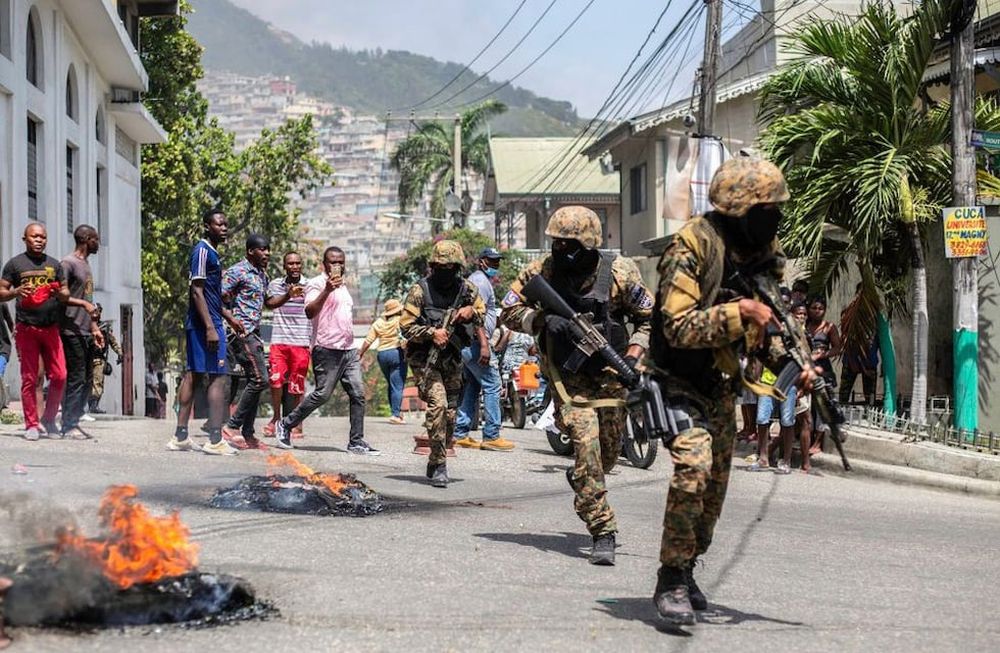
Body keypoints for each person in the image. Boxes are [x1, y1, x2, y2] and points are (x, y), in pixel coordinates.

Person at [648, 157, 817, 624]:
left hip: (722, 386)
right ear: (741, 209)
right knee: (693, 468)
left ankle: (687, 564)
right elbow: (677, 326)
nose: (776, 219)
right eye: (768, 210)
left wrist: (796, 365)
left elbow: (771, 326)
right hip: (677, 381)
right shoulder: (692, 246)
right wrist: (738, 312)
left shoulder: (761, 254)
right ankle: (671, 579)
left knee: (713, 496)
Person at [501, 206, 653, 565]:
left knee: (608, 453)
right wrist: (540, 319)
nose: (560, 251)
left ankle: (582, 477)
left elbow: (649, 319)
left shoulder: (619, 272)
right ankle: (603, 529)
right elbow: (507, 309)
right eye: (556, 243)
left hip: (611, 372)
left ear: (589, 245)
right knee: (586, 445)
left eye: (569, 245)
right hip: (566, 376)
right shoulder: (541, 272)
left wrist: (633, 356)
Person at [273, 247, 377, 454]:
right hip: (326, 349)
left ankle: (356, 441)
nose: (337, 266)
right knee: (322, 395)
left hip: (348, 350)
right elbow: (309, 311)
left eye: (341, 262)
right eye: (332, 262)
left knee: (358, 394)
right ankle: (285, 424)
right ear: (324, 264)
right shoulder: (316, 283)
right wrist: (327, 290)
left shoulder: (345, 287)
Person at [400, 240, 486, 487]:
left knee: (450, 415)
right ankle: (439, 464)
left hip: (453, 358)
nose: (445, 272)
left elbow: (483, 311)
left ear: (457, 268)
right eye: (441, 267)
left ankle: (437, 454)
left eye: (450, 267)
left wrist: (471, 312)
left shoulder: (467, 290)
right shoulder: (420, 291)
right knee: (437, 405)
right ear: (433, 267)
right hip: (425, 359)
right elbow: (406, 326)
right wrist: (430, 333)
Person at [0, 223, 83, 440]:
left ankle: (48, 418)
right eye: (35, 236)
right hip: (26, 328)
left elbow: (64, 291)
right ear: (25, 238)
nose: (39, 240)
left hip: (51, 327)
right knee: (30, 378)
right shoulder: (14, 264)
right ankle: (32, 424)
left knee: (60, 375)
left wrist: (61, 292)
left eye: (43, 237)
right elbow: (2, 291)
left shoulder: (54, 265)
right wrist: (17, 291)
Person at [166, 209, 237, 455]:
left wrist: (227, 313)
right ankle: (215, 439)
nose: (224, 228)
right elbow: (196, 291)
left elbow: (208, 292)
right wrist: (210, 327)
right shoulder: (202, 250)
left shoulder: (212, 253)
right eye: (219, 224)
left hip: (211, 320)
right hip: (204, 324)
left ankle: (181, 436)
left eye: (226, 224)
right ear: (207, 226)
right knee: (218, 377)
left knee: (194, 375)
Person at [453, 247, 515, 451]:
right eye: (492, 261)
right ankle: (491, 435)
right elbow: (474, 315)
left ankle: (460, 433)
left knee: (472, 385)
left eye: (497, 261)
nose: (496, 265)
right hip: (475, 342)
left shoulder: (478, 280)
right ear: (481, 262)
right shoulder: (480, 281)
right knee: (493, 385)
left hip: (468, 343)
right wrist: (485, 344)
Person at [219, 234, 271, 450]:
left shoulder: (261, 274)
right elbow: (215, 298)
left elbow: (268, 302)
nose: (267, 253)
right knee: (260, 380)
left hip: (255, 333)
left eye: (268, 249)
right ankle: (231, 426)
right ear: (251, 251)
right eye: (262, 249)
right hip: (242, 333)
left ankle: (248, 434)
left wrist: (288, 295)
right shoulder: (237, 271)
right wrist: (232, 320)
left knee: (255, 380)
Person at [57, 225, 105, 438]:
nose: (98, 243)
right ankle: (68, 425)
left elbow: (88, 299)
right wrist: (84, 307)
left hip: (85, 330)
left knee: (86, 378)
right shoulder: (68, 263)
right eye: (95, 239)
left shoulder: (85, 265)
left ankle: (74, 420)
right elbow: (60, 294)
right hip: (70, 329)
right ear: (86, 239)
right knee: (75, 377)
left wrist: (94, 327)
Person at [264, 252, 311, 437]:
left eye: (298, 263)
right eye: (290, 263)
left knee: (296, 385)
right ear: (285, 266)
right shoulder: (276, 284)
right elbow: (271, 304)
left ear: (302, 265)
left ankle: (296, 422)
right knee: (275, 381)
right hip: (279, 340)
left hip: (301, 341)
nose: (294, 266)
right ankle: (276, 418)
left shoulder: (310, 285)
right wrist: (288, 295)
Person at [358, 298, 408, 424]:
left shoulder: (378, 323)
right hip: (397, 353)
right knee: (397, 385)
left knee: (392, 384)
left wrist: (360, 354)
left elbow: (368, 341)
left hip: (382, 355)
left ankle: (395, 411)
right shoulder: (400, 320)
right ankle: (396, 415)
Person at [88, 304, 122, 414]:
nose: (96, 313)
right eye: (94, 311)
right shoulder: (86, 326)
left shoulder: (104, 327)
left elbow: (113, 341)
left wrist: (120, 353)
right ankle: (88, 405)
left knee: (97, 382)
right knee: (87, 383)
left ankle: (94, 406)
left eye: (98, 311)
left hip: (99, 359)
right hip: (87, 358)